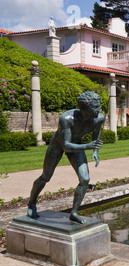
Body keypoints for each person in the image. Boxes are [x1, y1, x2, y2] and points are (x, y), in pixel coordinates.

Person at [27, 91, 104, 224]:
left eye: (99, 106)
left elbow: (97, 133)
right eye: (95, 107)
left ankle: (74, 213)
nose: (99, 110)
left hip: (78, 145)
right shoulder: (67, 119)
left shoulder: (99, 118)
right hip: (58, 145)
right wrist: (88, 146)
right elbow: (66, 146)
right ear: (84, 108)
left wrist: (95, 150)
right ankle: (32, 202)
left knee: (85, 179)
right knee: (46, 176)